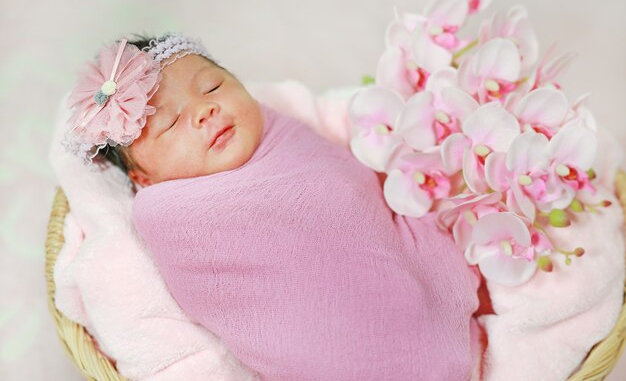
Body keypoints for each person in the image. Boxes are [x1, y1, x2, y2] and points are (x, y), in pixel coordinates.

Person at [65, 32, 482, 381]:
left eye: (212, 87)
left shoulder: (282, 129)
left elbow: (346, 192)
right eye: (171, 122)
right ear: (144, 179)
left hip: (402, 293)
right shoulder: (169, 214)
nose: (205, 110)